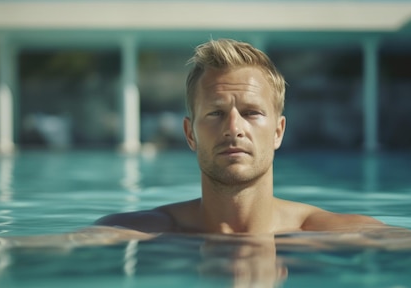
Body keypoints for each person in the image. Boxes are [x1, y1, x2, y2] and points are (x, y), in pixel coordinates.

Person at [95, 38, 381, 235]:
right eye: (216, 113)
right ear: (189, 134)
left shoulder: (329, 232)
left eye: (251, 112)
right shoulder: (138, 230)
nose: (234, 127)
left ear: (278, 132)